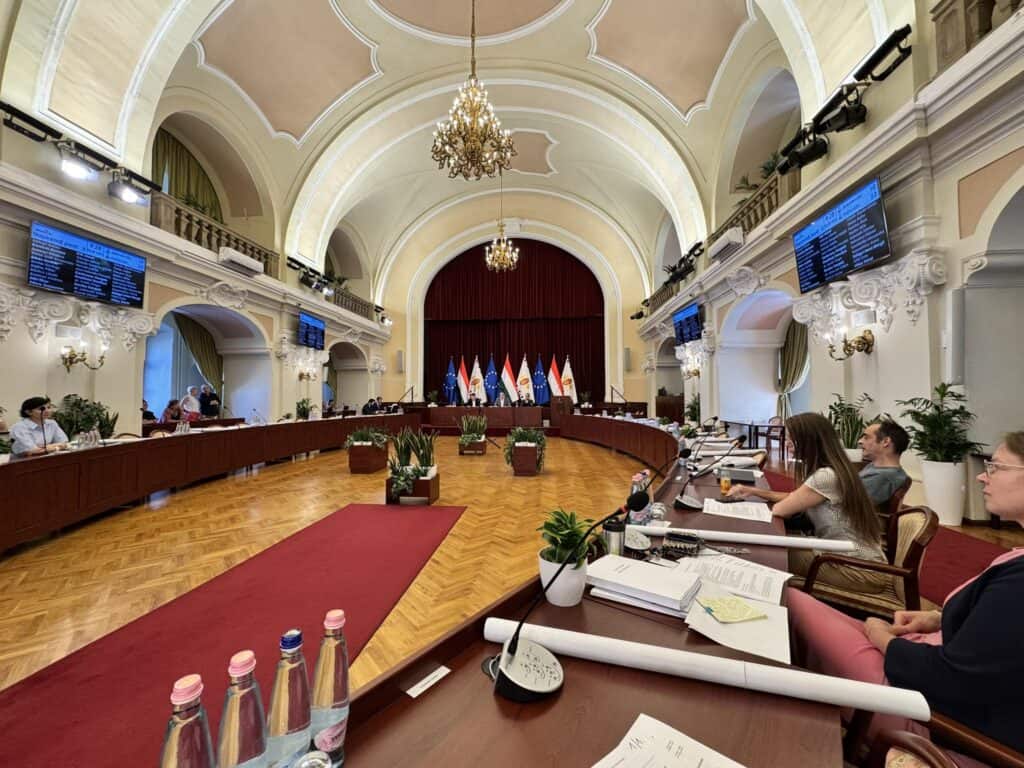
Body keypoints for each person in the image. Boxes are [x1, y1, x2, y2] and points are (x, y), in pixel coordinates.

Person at [787, 430, 1024, 759]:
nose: (982, 476)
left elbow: (953, 678)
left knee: (791, 603)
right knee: (801, 606)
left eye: (996, 467)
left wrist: (883, 638)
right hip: (925, 665)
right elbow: (1004, 639)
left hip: (927, 709)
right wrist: (937, 619)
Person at [726, 412, 887, 592]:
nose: (786, 443)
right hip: (854, 559)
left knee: (760, 552)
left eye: (791, 438)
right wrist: (754, 491)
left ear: (809, 440)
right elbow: (796, 496)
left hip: (859, 570)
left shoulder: (824, 476)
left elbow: (780, 510)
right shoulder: (835, 469)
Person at [858, 419, 910, 506]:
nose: (860, 441)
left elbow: (850, 506)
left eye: (866, 437)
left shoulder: (882, 477)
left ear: (885, 442)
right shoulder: (876, 468)